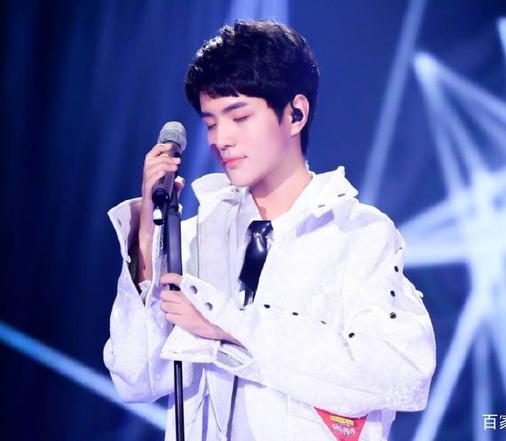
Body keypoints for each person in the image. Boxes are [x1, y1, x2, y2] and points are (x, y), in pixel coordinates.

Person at [104, 19, 436, 441]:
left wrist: (229, 326)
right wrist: (148, 237)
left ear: (295, 113)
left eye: (239, 117)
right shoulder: (196, 237)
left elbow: (402, 374)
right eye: (211, 123)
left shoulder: (358, 235)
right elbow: (135, 378)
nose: (221, 139)